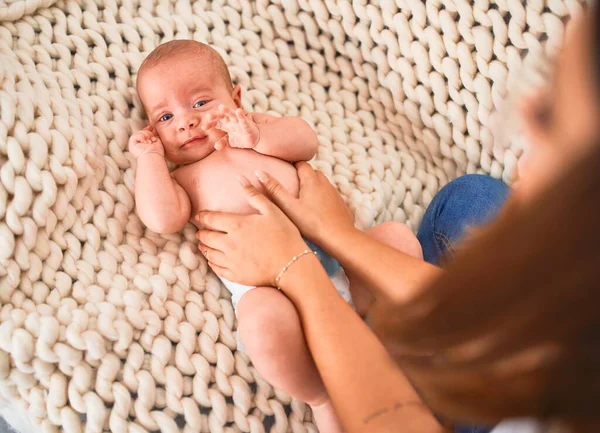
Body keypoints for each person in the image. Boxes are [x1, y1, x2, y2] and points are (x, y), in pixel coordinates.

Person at [194, 5, 600, 433]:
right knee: (472, 198)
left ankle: (362, 375)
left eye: (551, 116)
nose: (526, 112)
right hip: (529, 347)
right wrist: (335, 233)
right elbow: (515, 333)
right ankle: (412, 347)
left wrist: (292, 265)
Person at [129, 39, 422, 432]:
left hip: (339, 258)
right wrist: (148, 161)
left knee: (397, 238)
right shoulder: (182, 177)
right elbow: (162, 218)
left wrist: (255, 137)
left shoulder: (255, 127)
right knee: (259, 318)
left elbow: (306, 141)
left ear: (235, 97)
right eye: (165, 118)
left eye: (199, 103)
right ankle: (320, 394)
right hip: (272, 288)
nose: (185, 122)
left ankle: (399, 343)